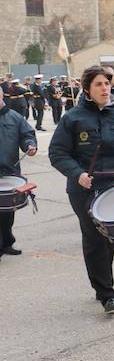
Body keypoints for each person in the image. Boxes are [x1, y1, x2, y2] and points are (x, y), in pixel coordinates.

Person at [48, 66, 114, 313]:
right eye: (98, 85)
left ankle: (103, 282)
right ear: (87, 89)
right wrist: (77, 174)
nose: (105, 88)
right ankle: (106, 293)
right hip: (84, 189)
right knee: (94, 238)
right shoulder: (72, 117)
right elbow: (58, 153)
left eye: (107, 84)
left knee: (111, 236)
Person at [0, 86, 38, 257]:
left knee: (8, 213)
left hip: (10, 172)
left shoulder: (14, 117)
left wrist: (30, 145)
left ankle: (6, 243)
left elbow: (27, 135)